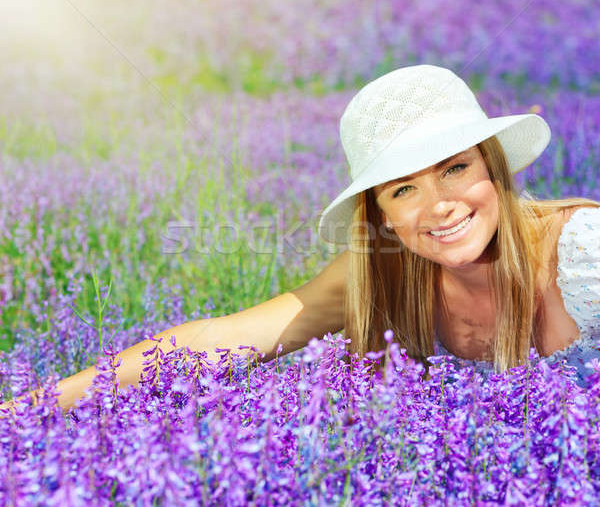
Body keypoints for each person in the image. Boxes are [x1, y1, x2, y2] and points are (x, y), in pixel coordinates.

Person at [2, 64, 600, 415]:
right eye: (402, 190)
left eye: (455, 169)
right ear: (381, 216)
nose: (439, 206)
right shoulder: (384, 271)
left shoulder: (584, 253)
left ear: (493, 166)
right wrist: (33, 409)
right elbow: (221, 338)